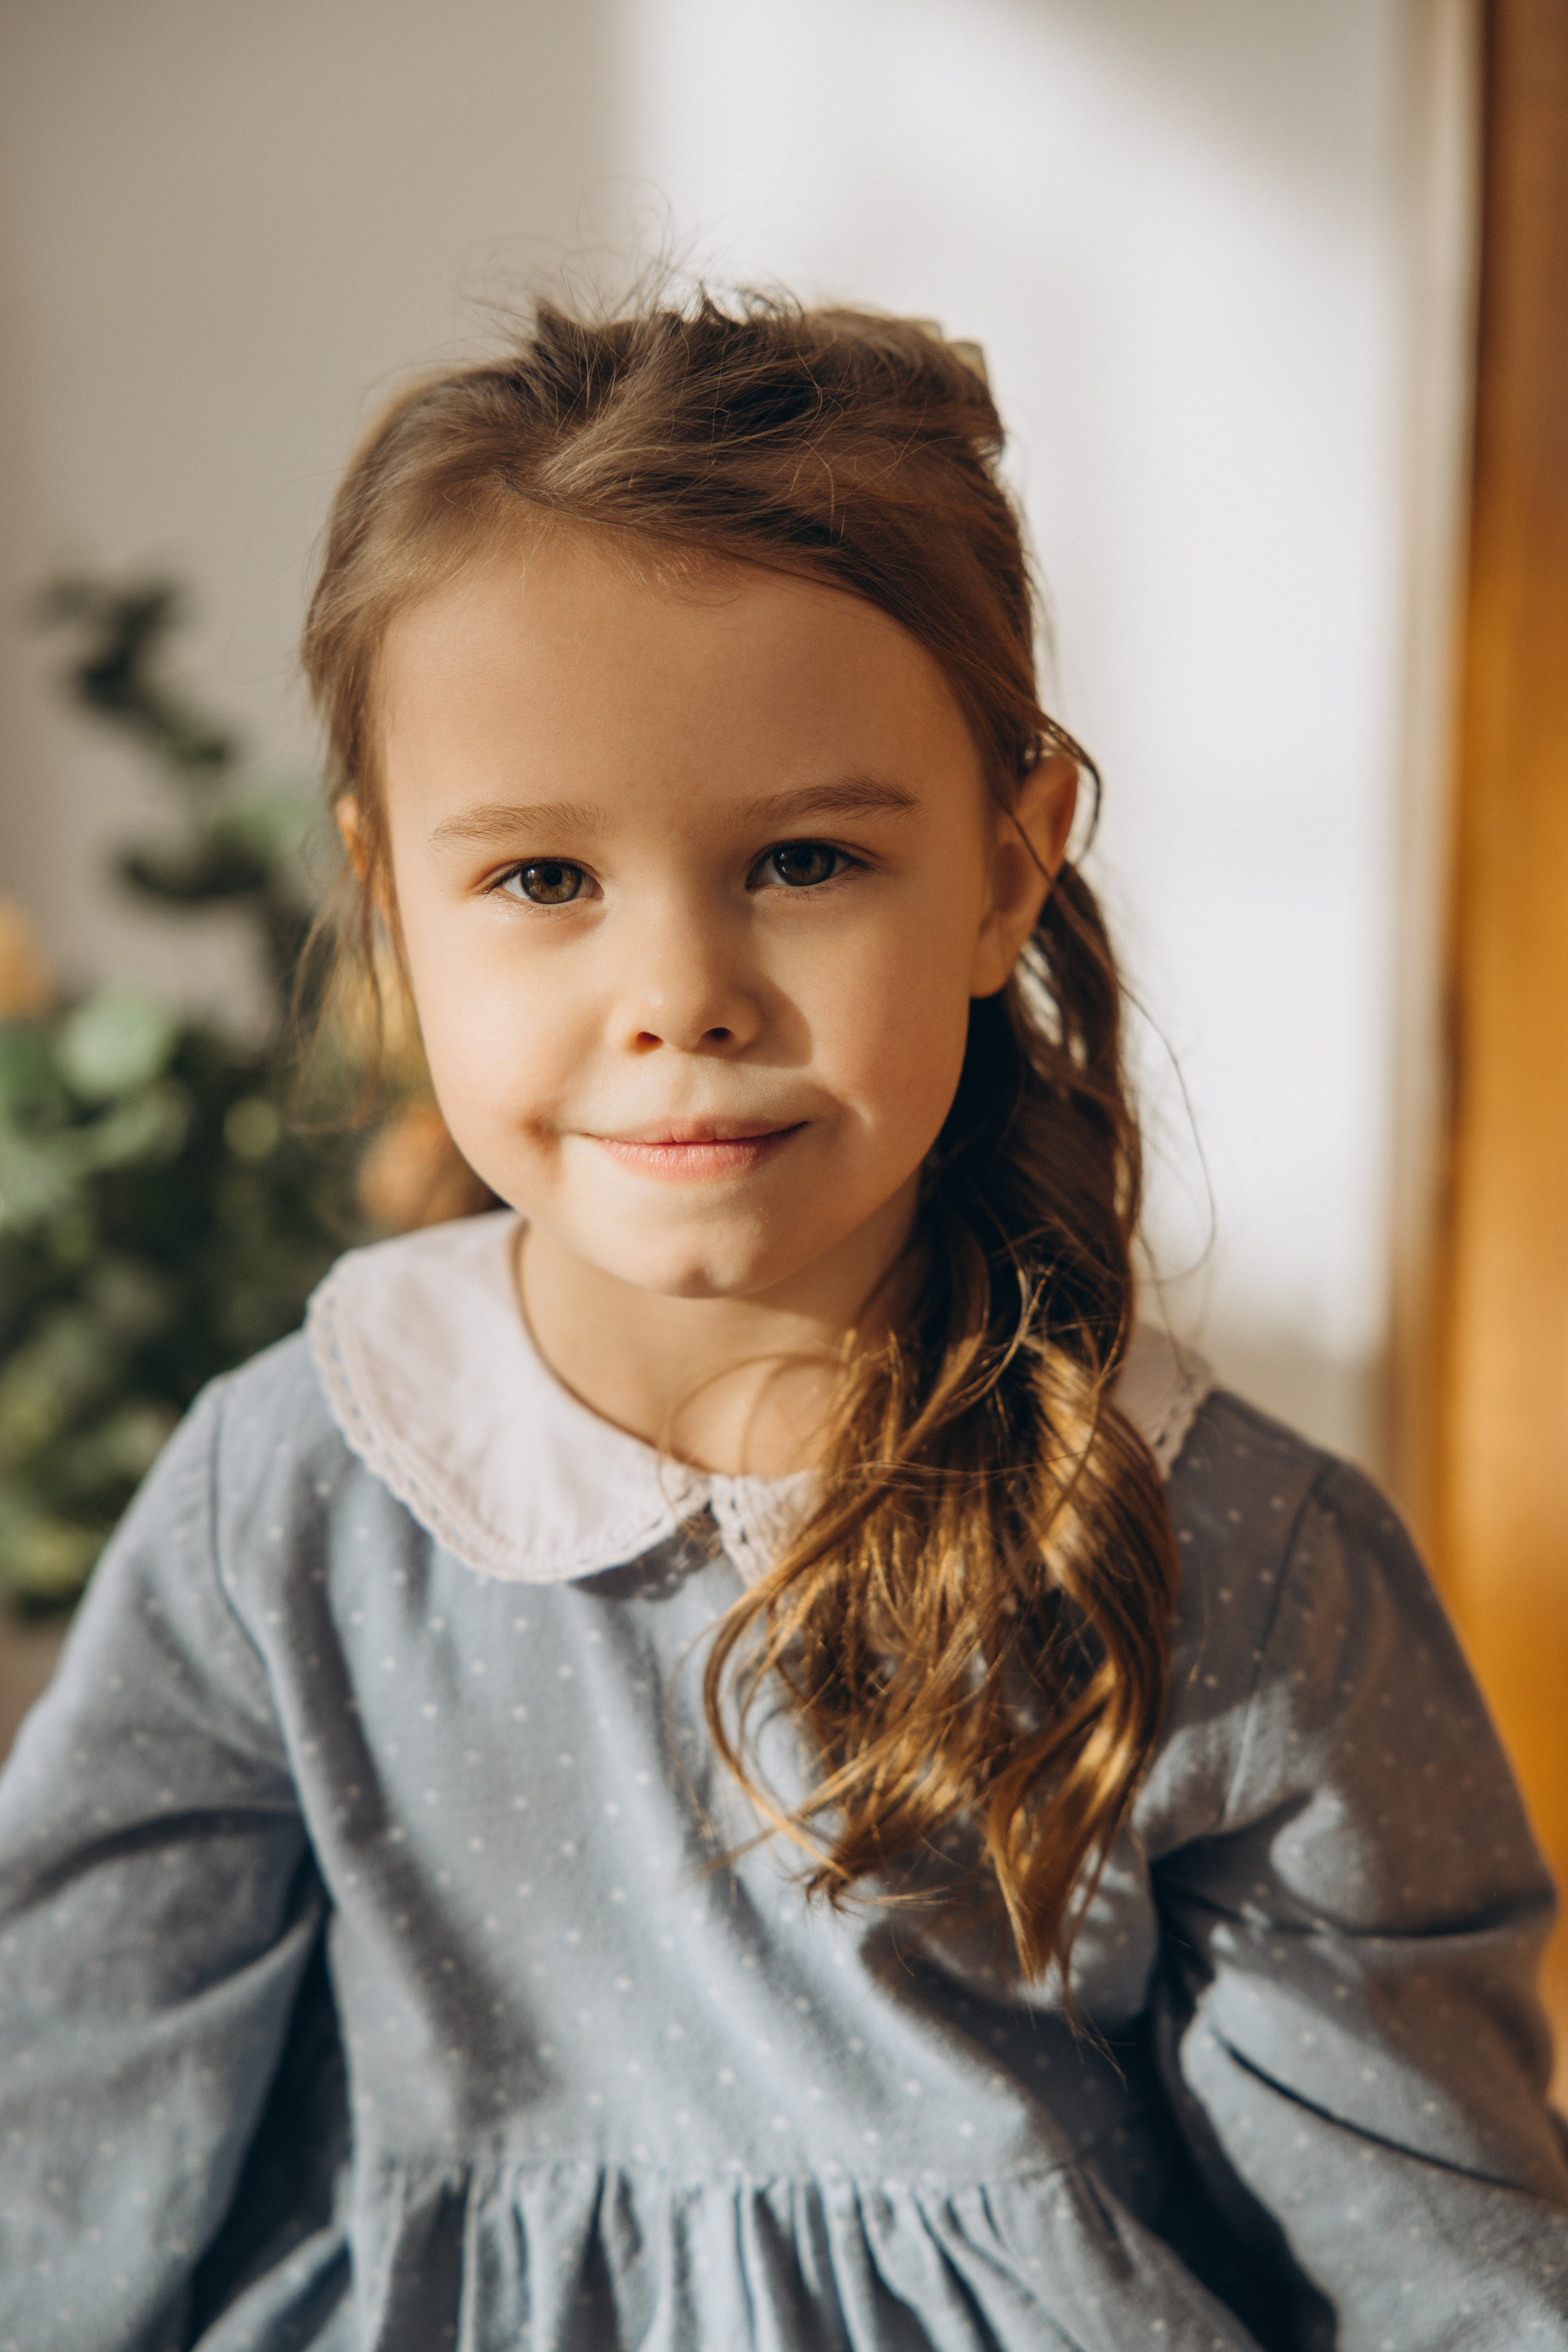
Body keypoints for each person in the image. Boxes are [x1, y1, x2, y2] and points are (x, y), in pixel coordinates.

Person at [1, 295, 1564, 2352]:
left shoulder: (1246, 1561)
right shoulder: (282, 1497)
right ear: (390, 898)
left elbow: (1432, 2258)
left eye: (805, 859)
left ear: (1008, 869)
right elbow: (64, 2144)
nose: (682, 994)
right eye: (543, 879)